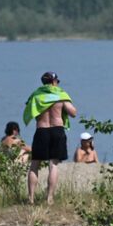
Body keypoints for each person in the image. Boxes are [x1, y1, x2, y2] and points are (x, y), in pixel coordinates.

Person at [22, 71, 77, 205]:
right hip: (57, 130)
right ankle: (49, 198)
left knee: (34, 165)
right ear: (54, 82)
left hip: (41, 130)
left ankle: (31, 198)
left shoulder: (36, 95)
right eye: (57, 81)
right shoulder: (60, 95)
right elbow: (73, 113)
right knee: (53, 165)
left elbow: (29, 111)